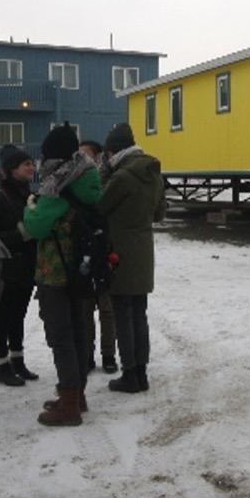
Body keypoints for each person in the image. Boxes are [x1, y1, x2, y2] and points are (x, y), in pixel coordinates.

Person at [23, 123, 102, 426]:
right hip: (81, 268)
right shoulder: (86, 177)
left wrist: (31, 207)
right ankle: (76, 394)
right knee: (79, 331)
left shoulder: (58, 185)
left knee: (61, 335)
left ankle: (69, 403)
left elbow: (37, 226)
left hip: (56, 270)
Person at [97, 122, 166, 394]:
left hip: (119, 253)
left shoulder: (122, 177)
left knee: (123, 315)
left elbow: (100, 205)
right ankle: (141, 373)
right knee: (139, 314)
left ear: (113, 150)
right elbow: (159, 214)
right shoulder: (153, 174)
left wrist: (103, 174)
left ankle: (129, 375)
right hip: (143, 251)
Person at [0, 144, 40, 386]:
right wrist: (21, 235)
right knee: (3, 317)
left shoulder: (28, 196)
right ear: (12, 169)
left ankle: (18, 360)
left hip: (26, 268)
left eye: (32, 164)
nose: (32, 168)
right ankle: (1, 366)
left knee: (19, 315)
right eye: (26, 164)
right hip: (5, 269)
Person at [77, 139, 118, 373]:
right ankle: (87, 353)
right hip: (83, 250)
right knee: (84, 309)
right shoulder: (73, 181)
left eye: (86, 154)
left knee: (106, 308)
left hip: (104, 249)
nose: (81, 158)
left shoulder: (105, 180)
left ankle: (108, 354)